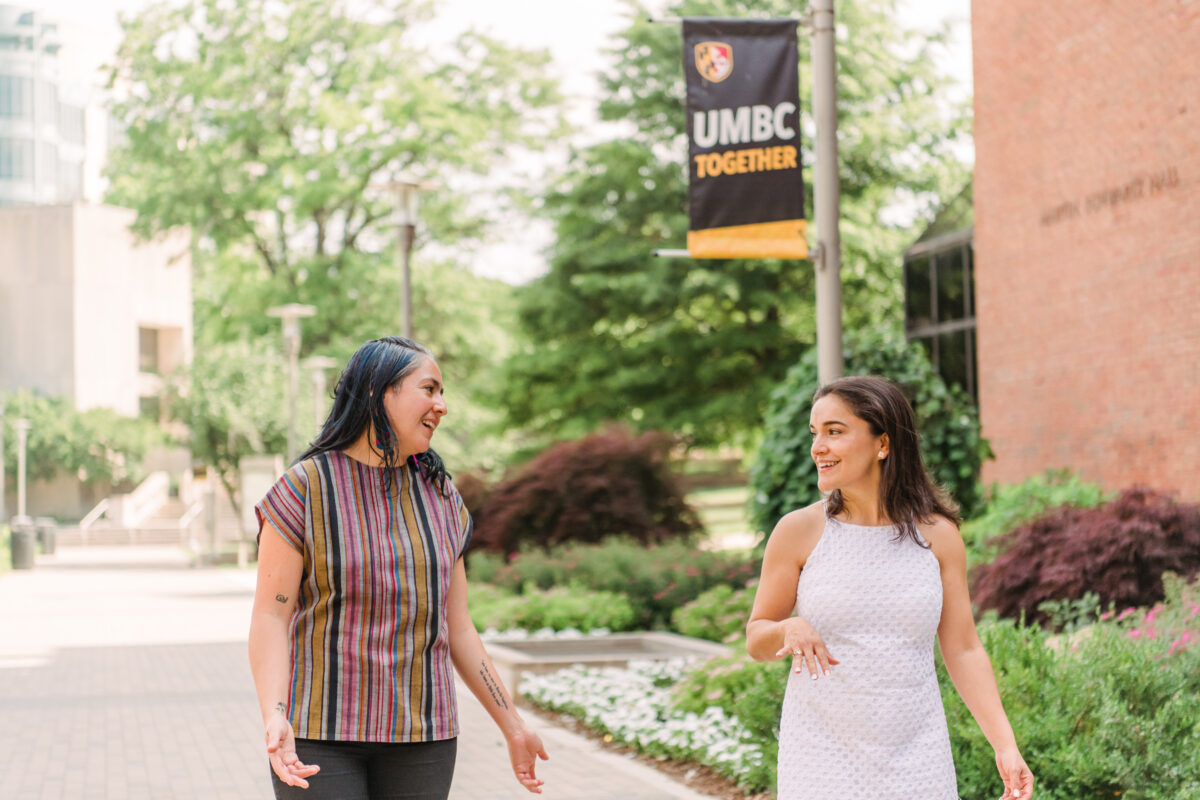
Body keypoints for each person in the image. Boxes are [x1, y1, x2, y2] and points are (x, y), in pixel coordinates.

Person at [248, 336, 548, 799]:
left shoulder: (442, 497)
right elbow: (272, 615)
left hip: (424, 738)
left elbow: (459, 627)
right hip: (320, 734)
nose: (442, 405)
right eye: (429, 389)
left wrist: (513, 725)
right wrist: (275, 713)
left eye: (442, 392)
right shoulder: (304, 489)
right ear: (380, 392)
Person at [746, 376, 1034, 800]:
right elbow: (756, 638)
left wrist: (1006, 746)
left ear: (882, 444)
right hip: (822, 757)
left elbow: (963, 648)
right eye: (815, 433)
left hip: (918, 756)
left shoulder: (939, 535)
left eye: (834, 432)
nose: (817, 447)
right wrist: (787, 628)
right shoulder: (798, 531)